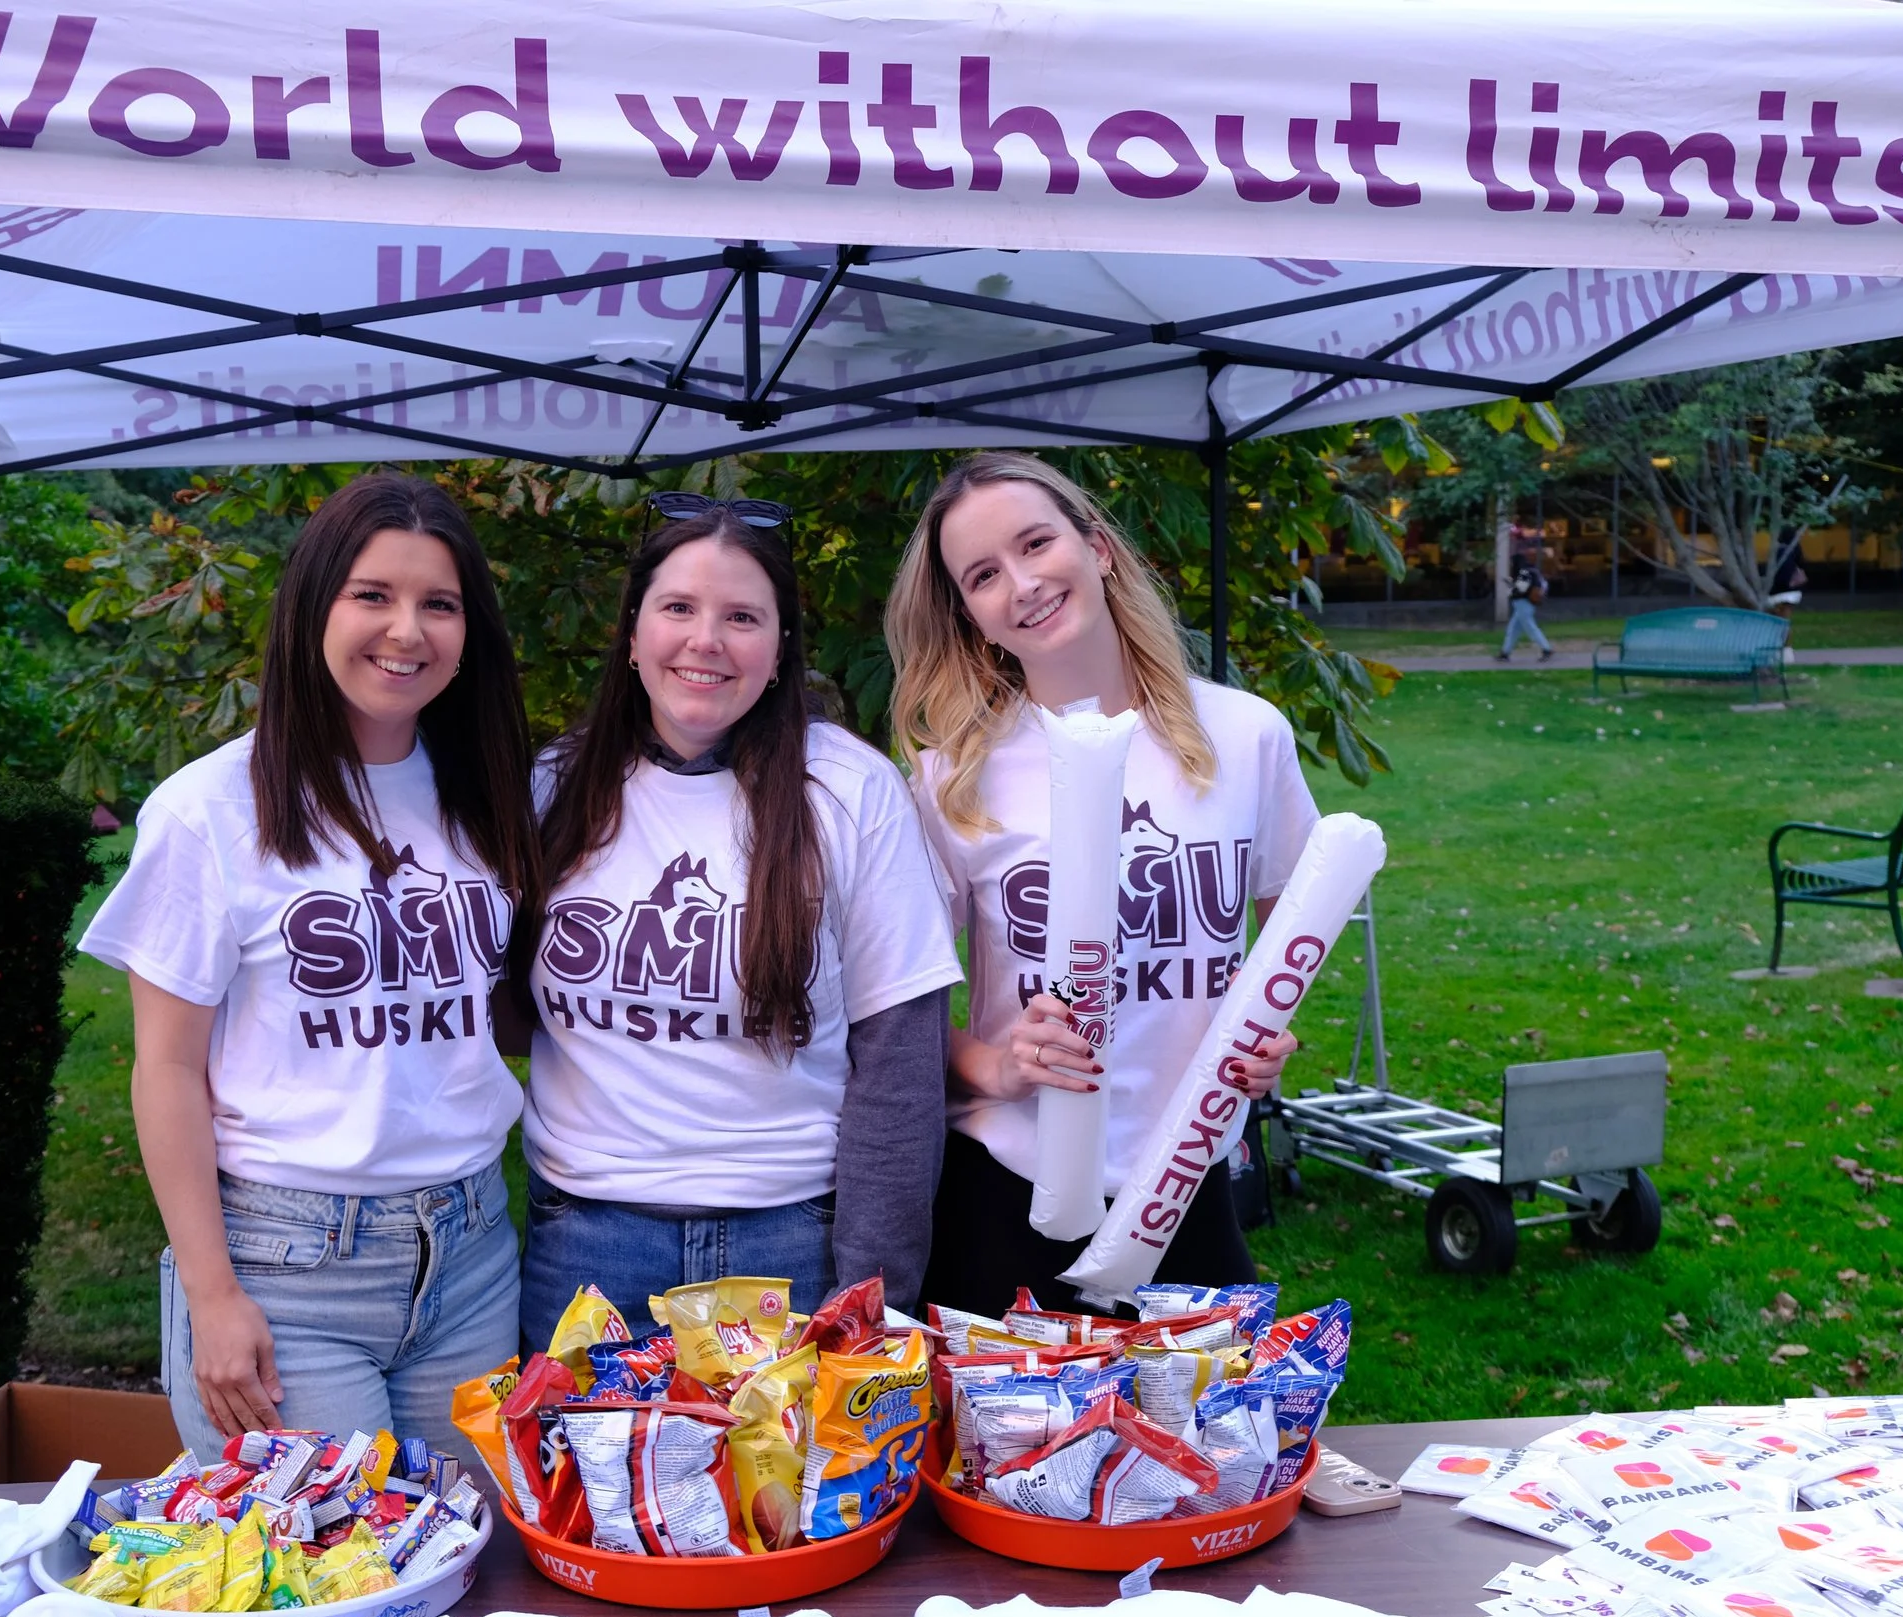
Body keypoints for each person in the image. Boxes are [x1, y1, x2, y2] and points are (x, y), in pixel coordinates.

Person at [79, 473, 539, 1463]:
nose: (406, 630)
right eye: (372, 594)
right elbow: (163, 1066)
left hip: (469, 1252)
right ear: (311, 608)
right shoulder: (210, 809)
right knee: (333, 1579)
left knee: (463, 1557)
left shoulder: (488, 793)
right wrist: (211, 1293)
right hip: (289, 1262)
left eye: (440, 603)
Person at [518, 493, 960, 1344]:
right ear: (633, 630)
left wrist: (874, 1295)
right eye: (678, 607)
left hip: (789, 1247)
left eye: (743, 616)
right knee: (591, 1482)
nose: (706, 639)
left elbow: (901, 1064)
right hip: (586, 1249)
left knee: (782, 1486)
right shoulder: (552, 787)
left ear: (781, 645)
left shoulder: (852, 791)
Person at [884, 452, 1318, 1317]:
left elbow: (1294, 915)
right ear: (971, 615)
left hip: (1188, 1190)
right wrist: (998, 1065)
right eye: (983, 575)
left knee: (1210, 1452)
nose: (1023, 582)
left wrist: (1266, 1026)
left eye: (1036, 543)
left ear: (1098, 548)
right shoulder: (951, 781)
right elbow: (900, 1016)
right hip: (1013, 1193)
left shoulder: (1245, 735)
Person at [1498, 538, 1553, 661]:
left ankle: (1546, 649)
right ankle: (1505, 652)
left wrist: (1510, 588)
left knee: (1530, 628)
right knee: (1513, 629)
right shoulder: (1532, 571)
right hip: (1527, 604)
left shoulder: (1523, 572)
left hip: (1523, 604)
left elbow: (1520, 590)